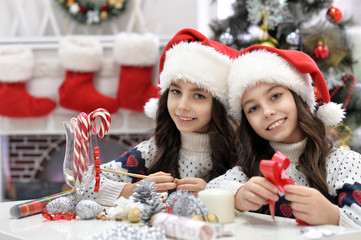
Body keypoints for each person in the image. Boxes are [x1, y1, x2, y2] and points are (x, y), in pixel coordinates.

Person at [207, 45, 361, 228]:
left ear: (298, 97)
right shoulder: (252, 169)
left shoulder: (345, 163)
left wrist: (333, 216)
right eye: (253, 108)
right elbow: (210, 191)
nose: (267, 112)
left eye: (275, 96)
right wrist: (238, 196)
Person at [83, 28, 239, 206]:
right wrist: (133, 190)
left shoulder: (240, 153)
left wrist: (212, 195)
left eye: (199, 96)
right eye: (176, 91)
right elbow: (83, 183)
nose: (182, 106)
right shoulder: (153, 151)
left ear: (219, 104)